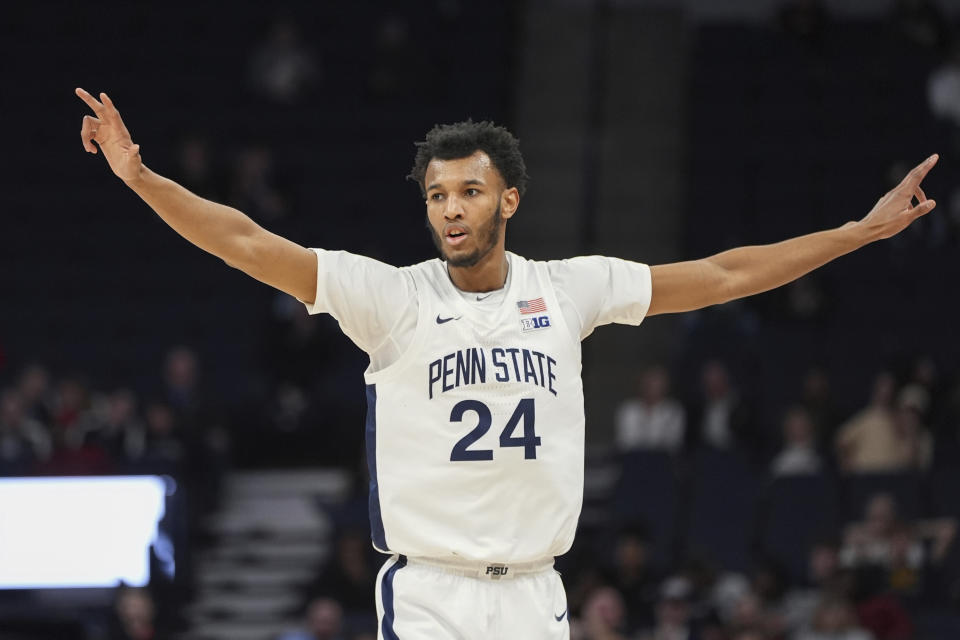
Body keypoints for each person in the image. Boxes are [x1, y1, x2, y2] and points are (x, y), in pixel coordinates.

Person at [75, 87, 939, 640]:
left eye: (470, 192)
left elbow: (721, 275)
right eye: (437, 196)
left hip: (534, 594)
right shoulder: (393, 297)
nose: (451, 211)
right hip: (429, 597)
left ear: (509, 199)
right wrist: (142, 176)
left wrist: (857, 234)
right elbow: (248, 242)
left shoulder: (571, 289)